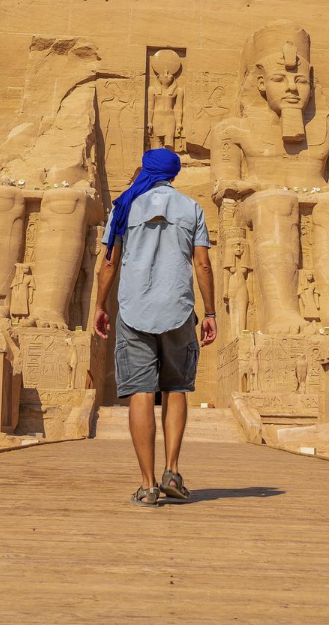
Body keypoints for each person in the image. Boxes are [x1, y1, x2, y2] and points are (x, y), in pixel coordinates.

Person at [94, 148, 217, 508]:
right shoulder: (191, 208)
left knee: (141, 393)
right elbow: (203, 265)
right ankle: (173, 473)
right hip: (178, 309)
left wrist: (101, 306)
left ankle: (147, 485)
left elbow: (108, 264)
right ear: (173, 174)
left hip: (134, 310)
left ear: (147, 170)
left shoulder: (124, 207)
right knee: (176, 388)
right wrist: (210, 313)